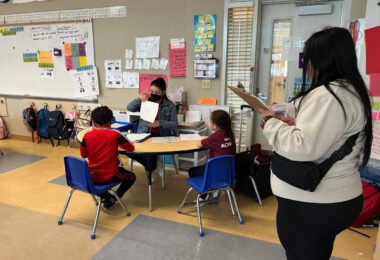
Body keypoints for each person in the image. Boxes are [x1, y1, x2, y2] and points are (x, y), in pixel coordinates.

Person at [259, 27, 372, 260]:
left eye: (310, 59)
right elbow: (319, 132)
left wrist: (270, 122)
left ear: (322, 60)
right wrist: (286, 119)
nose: (307, 66)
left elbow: (303, 147)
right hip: (334, 199)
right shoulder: (352, 90)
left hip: (312, 203)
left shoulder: (329, 96)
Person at [80, 106, 136, 209]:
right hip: (110, 175)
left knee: (99, 183)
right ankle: (113, 198)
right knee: (132, 177)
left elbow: (84, 155)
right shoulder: (115, 134)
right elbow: (131, 148)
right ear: (111, 121)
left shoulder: (87, 136)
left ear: (93, 122)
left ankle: (106, 197)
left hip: (91, 177)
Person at [127, 78, 178, 176]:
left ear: (163, 92)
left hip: (161, 135)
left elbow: (174, 124)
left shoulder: (170, 106)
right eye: (151, 91)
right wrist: (139, 99)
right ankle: (153, 166)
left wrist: (160, 123)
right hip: (144, 133)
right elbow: (129, 108)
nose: (153, 94)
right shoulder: (146, 102)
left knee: (150, 152)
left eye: (156, 92)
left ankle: (151, 168)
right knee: (128, 151)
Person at [189, 110, 236, 199]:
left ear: (215, 125)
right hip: (227, 173)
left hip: (214, 173)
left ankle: (204, 195)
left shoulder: (215, 136)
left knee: (192, 171)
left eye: (210, 121)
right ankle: (214, 190)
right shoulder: (231, 134)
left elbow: (199, 145)